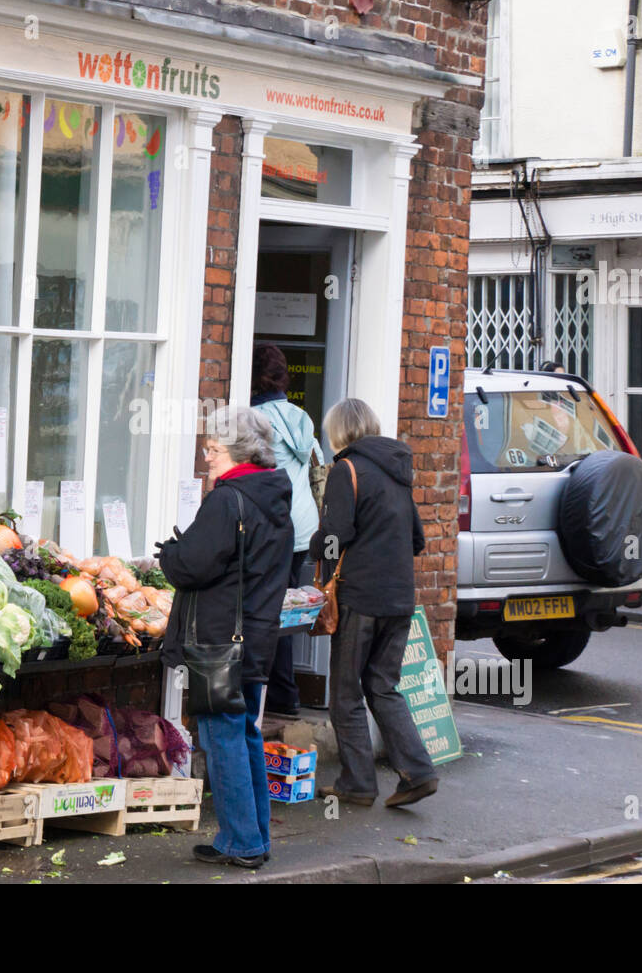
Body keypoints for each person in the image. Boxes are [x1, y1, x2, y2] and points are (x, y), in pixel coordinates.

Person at [158, 406, 293, 868]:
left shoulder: (227, 499)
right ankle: (251, 836)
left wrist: (170, 554)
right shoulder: (273, 496)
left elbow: (192, 565)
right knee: (245, 733)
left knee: (222, 739)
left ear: (237, 451)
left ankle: (243, 842)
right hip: (256, 636)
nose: (207, 457)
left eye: (213, 450)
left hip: (218, 640)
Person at [308, 398, 437, 809]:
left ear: (339, 432)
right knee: (382, 686)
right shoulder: (398, 470)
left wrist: (312, 546)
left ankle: (358, 783)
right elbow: (417, 539)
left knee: (345, 694)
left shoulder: (346, 470)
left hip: (360, 599)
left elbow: (335, 536)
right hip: (400, 599)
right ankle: (418, 771)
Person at [250, 343, 323, 717]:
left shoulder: (254, 419)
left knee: (268, 613)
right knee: (285, 612)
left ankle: (279, 696)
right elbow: (318, 465)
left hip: (275, 524)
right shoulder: (302, 417)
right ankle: (286, 694)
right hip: (303, 524)